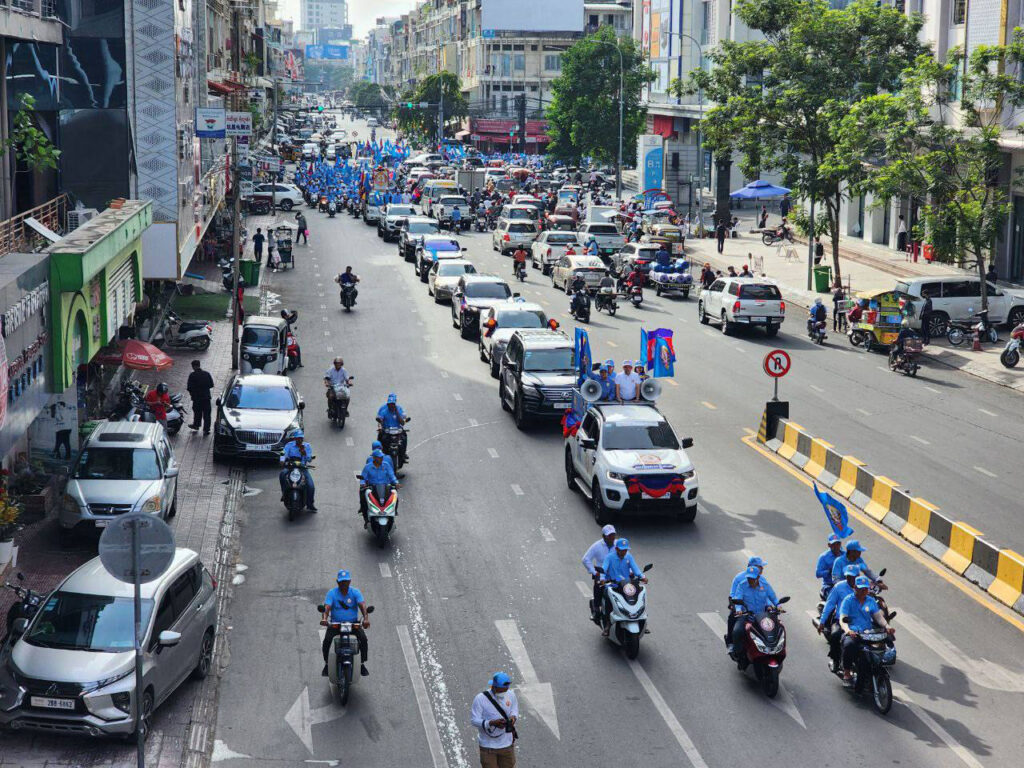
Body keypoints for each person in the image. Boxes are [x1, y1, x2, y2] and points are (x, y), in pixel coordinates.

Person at [839, 576, 894, 684]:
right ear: (855, 587)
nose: (864, 591)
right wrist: (848, 630)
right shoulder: (848, 600)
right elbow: (842, 619)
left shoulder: (871, 600)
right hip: (854, 633)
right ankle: (847, 672)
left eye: (866, 588)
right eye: (861, 588)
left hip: (867, 633)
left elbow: (878, 617)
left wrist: (887, 626)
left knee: (884, 642)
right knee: (849, 645)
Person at [321, 569, 370, 677]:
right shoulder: (332, 593)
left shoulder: (355, 592)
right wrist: (324, 618)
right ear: (337, 582)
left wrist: (366, 618)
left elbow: (362, 605)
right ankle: (327, 664)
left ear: (350, 581)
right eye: (341, 581)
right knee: (327, 641)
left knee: (363, 639)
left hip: (352, 624)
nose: (344, 584)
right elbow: (327, 607)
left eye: (346, 581)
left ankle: (362, 663)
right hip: (336, 624)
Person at [470, 672, 519, 768]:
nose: (504, 693)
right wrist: (491, 723)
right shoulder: (480, 699)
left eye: (506, 690)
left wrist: (513, 718)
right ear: (494, 687)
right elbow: (474, 720)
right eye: (501, 691)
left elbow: (514, 710)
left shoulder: (511, 694)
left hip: (506, 745)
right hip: (488, 747)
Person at [599, 538, 646, 634]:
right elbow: (603, 569)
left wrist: (642, 577)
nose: (623, 552)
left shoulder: (629, 557)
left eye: (625, 550)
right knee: (608, 598)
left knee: (639, 595)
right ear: (616, 549)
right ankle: (608, 624)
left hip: (627, 585)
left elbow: (636, 569)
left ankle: (641, 620)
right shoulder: (609, 557)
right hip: (613, 585)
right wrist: (602, 579)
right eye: (621, 550)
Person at [818, 564, 860, 666]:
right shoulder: (839, 587)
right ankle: (836, 660)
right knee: (835, 635)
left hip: (860, 621)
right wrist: (822, 622)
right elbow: (829, 604)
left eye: (853, 576)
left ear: (857, 576)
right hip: (841, 621)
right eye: (848, 576)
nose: (851, 579)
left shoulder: (863, 587)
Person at [582, 524, 617, 621]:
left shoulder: (618, 545)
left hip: (617, 573)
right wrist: (594, 572)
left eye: (613, 535)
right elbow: (585, 559)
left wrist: (630, 572)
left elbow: (627, 559)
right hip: (602, 574)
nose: (612, 538)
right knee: (598, 586)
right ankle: (596, 609)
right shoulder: (597, 546)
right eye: (609, 536)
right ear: (604, 536)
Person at [358, 450, 399, 526]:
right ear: (374, 458)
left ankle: (394, 511)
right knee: (363, 494)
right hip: (372, 488)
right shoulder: (368, 467)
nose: (381, 458)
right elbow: (363, 478)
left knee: (395, 493)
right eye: (379, 457)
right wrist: (363, 484)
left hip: (385, 487)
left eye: (382, 457)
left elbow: (392, 476)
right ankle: (365, 518)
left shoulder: (386, 465)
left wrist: (396, 483)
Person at [279, 431, 316, 511]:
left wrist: (304, 452)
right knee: (282, 474)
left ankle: (310, 504)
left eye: (301, 438)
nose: (300, 440)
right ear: (295, 438)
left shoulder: (307, 446)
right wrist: (282, 461)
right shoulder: (289, 445)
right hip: (290, 467)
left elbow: (309, 459)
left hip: (302, 468)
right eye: (298, 438)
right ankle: (283, 493)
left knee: (311, 486)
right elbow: (283, 453)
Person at [376, 393, 409, 463]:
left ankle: (403, 454)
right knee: (381, 438)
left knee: (404, 438)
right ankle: (379, 453)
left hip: (398, 431)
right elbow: (380, 420)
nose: (391, 406)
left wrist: (396, 412)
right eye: (390, 404)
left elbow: (402, 422)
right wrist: (380, 427)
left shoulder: (399, 409)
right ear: (387, 404)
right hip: (387, 431)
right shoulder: (383, 410)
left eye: (393, 404)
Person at [186, 361, 215, 435]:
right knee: (207, 414)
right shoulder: (206, 374)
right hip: (206, 398)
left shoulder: (192, 375)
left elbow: (189, 387)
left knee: (197, 413)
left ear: (193, 366)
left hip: (197, 398)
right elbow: (211, 385)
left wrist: (193, 393)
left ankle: (196, 425)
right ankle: (206, 429)